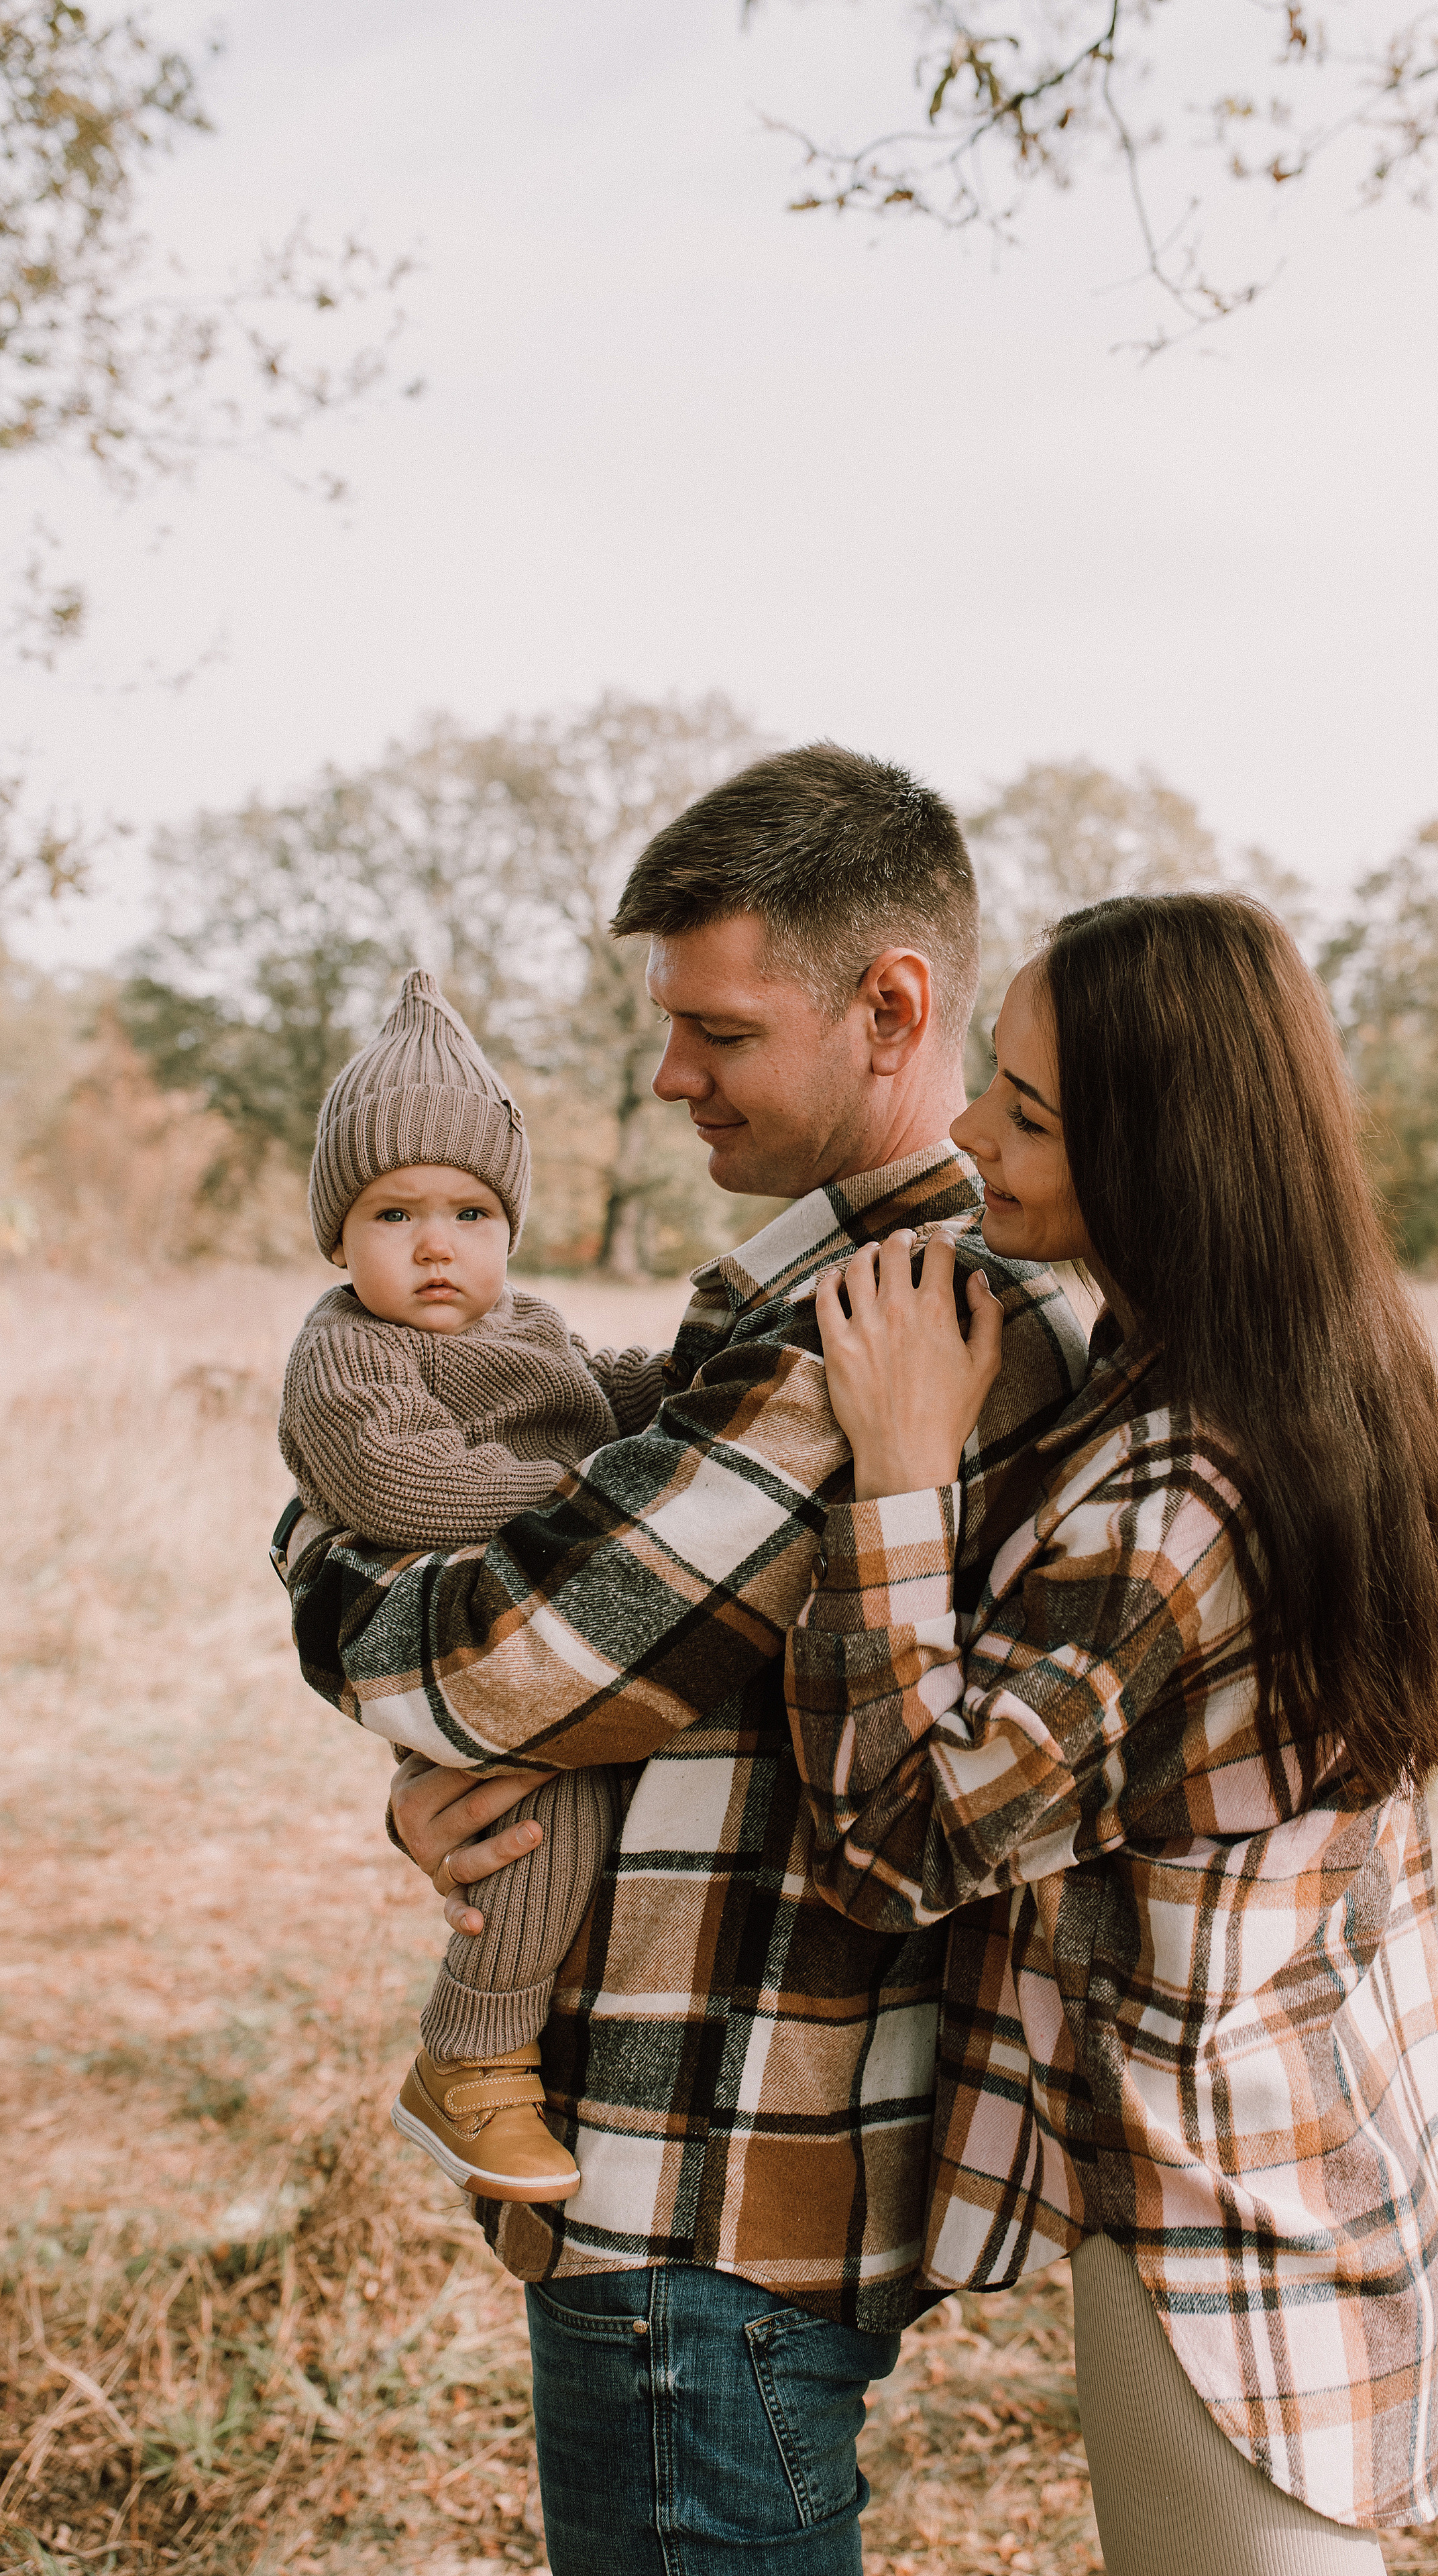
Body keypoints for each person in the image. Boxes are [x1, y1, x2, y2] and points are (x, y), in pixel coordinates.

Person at [276, 745, 1086, 2575]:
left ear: (892, 1009)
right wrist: (444, 1793)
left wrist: (320, 1560)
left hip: (702, 2186)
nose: (666, 1077)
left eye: (717, 1031)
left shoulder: (895, 1314)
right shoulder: (807, 1299)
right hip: (719, 2168)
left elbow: (511, 1669)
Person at [783, 892, 1438, 2576]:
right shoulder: (1289, 1366)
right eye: (994, 1079)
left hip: (1222, 2216)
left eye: (1028, 1114)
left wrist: (898, 1483)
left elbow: (898, 1849)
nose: (967, 1130)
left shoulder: (1182, 1492)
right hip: (1320, 2128)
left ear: (1163, 1155)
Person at [276, 967, 668, 2203]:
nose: (436, 1244)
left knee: (580, 1821)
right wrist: (592, 1498)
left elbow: (606, 1386)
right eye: (394, 1213)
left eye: (471, 1212)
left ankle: (526, 2040)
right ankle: (472, 2054)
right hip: (460, 1641)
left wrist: (698, 1382)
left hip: (550, 1609)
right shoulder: (348, 1351)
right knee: (543, 1816)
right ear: (338, 1235)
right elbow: (401, 1483)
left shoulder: (527, 1325)